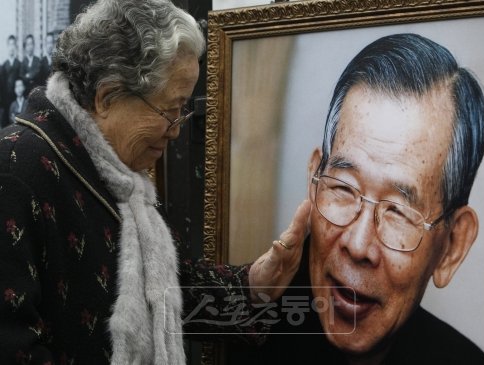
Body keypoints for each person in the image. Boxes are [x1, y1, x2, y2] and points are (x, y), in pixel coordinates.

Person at [0, 0, 310, 364]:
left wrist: (256, 284)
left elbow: (167, 294)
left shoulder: (116, 173)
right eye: (169, 111)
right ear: (108, 97)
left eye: (184, 111)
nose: (177, 130)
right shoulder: (16, 170)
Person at [229, 33, 484, 365]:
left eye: (398, 211)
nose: (357, 244)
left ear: (453, 246)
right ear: (314, 182)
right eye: (343, 188)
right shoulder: (241, 329)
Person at [2, 35, 21, 127]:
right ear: (7, 47)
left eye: (13, 44)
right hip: (5, 101)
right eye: (10, 44)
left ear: (15, 47)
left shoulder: (19, 64)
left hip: (16, 99)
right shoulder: (3, 66)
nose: (11, 47)